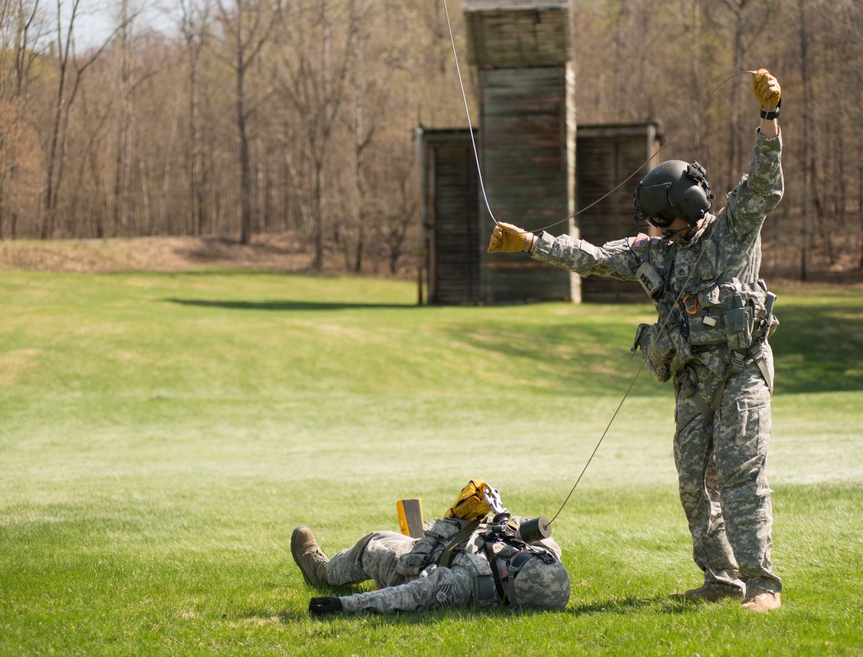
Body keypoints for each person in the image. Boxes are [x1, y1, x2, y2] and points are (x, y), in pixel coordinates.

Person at [487, 70, 784, 613]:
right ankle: (721, 580)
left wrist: (768, 120)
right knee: (694, 484)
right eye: (651, 221)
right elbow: (593, 257)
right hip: (694, 377)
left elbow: (765, 186)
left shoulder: (731, 230)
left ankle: (762, 585)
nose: (656, 229)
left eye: (664, 219)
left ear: (690, 206)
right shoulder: (653, 251)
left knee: (741, 472)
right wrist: (531, 243)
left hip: (742, 368)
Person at [291, 479, 570, 615]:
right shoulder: (544, 556)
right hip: (459, 534)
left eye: (515, 565)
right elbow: (538, 537)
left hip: (422, 561)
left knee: (374, 544)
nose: (517, 557)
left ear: (510, 588)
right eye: (525, 556)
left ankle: (322, 572)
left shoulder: (466, 582)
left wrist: (344, 605)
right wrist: (506, 523)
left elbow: (408, 595)